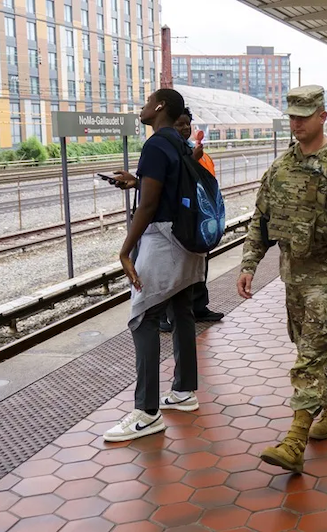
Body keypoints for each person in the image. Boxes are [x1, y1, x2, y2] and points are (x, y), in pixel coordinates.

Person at [237, 85, 327, 473]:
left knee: (310, 359)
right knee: (314, 353)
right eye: (292, 115)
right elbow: (261, 220)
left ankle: (295, 440)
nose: (297, 122)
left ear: (323, 116)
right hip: (295, 281)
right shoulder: (280, 168)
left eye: (305, 114)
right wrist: (249, 263)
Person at [102, 89, 206, 442]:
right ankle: (183, 391)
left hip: (164, 241)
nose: (142, 107)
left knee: (143, 317)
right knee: (181, 310)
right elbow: (166, 188)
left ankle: (146, 413)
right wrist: (136, 181)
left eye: (146, 102)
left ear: (159, 107)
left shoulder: (154, 146)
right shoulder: (178, 143)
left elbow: (147, 207)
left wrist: (125, 251)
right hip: (189, 239)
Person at [159, 108, 224, 333]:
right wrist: (192, 161)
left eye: (187, 124)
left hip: (200, 217)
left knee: (199, 264)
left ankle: (199, 306)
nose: (185, 128)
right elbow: (175, 184)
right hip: (180, 220)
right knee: (174, 268)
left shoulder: (192, 151)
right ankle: (164, 315)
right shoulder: (170, 152)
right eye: (179, 124)